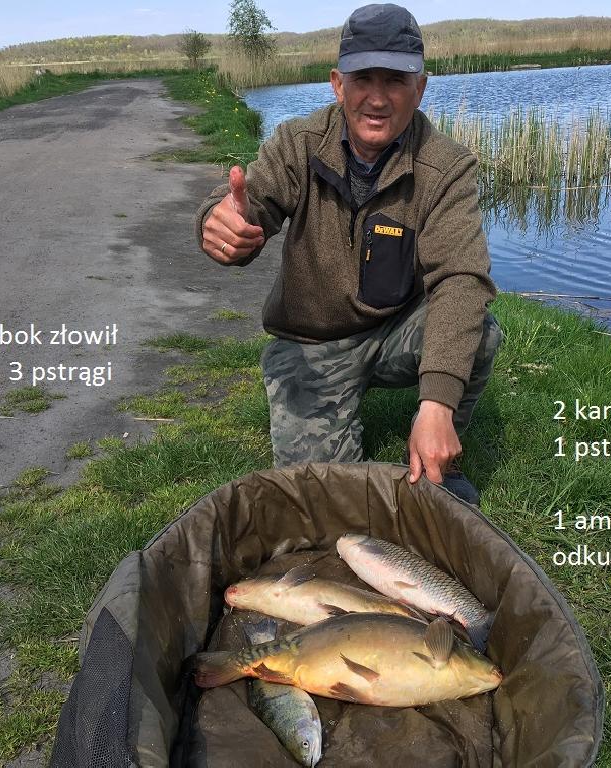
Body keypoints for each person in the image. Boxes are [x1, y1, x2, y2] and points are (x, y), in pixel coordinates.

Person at [195, 3, 501, 504]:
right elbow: (249, 207)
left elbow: (461, 279)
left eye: (395, 80)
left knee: (479, 330)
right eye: (363, 79)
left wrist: (438, 402)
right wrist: (221, 222)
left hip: (393, 331)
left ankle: (435, 456)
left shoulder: (447, 168)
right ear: (338, 85)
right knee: (325, 499)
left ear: (420, 88)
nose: (377, 99)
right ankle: (333, 413)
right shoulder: (297, 143)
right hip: (310, 346)